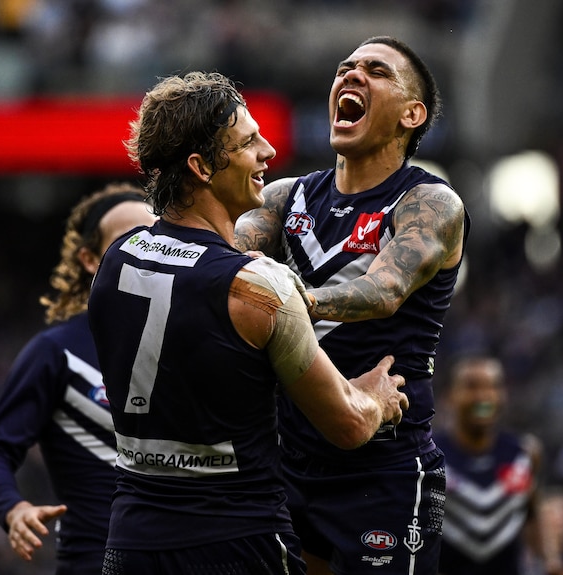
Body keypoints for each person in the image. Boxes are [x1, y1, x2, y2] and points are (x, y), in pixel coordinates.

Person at [87, 71, 410, 575]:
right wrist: (377, 399)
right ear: (201, 167)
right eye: (247, 143)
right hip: (238, 544)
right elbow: (346, 424)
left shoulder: (115, 261)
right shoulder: (257, 286)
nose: (268, 154)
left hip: (131, 544)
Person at [234, 36, 468, 574]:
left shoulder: (429, 203)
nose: (352, 75)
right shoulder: (282, 198)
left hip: (383, 468)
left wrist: (286, 302)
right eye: (346, 68)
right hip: (286, 460)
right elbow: (223, 267)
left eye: (376, 71)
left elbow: (381, 291)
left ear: (414, 113)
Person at [0, 183, 156, 575]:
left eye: (156, 239)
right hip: (95, 563)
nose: (146, 251)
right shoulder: (55, 353)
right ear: (89, 258)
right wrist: (14, 509)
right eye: (129, 240)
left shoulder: (195, 341)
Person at [432, 355, 563, 575]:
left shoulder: (524, 454)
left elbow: (532, 513)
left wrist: (551, 560)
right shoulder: (430, 456)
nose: (483, 397)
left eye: (493, 387)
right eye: (471, 387)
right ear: (450, 396)